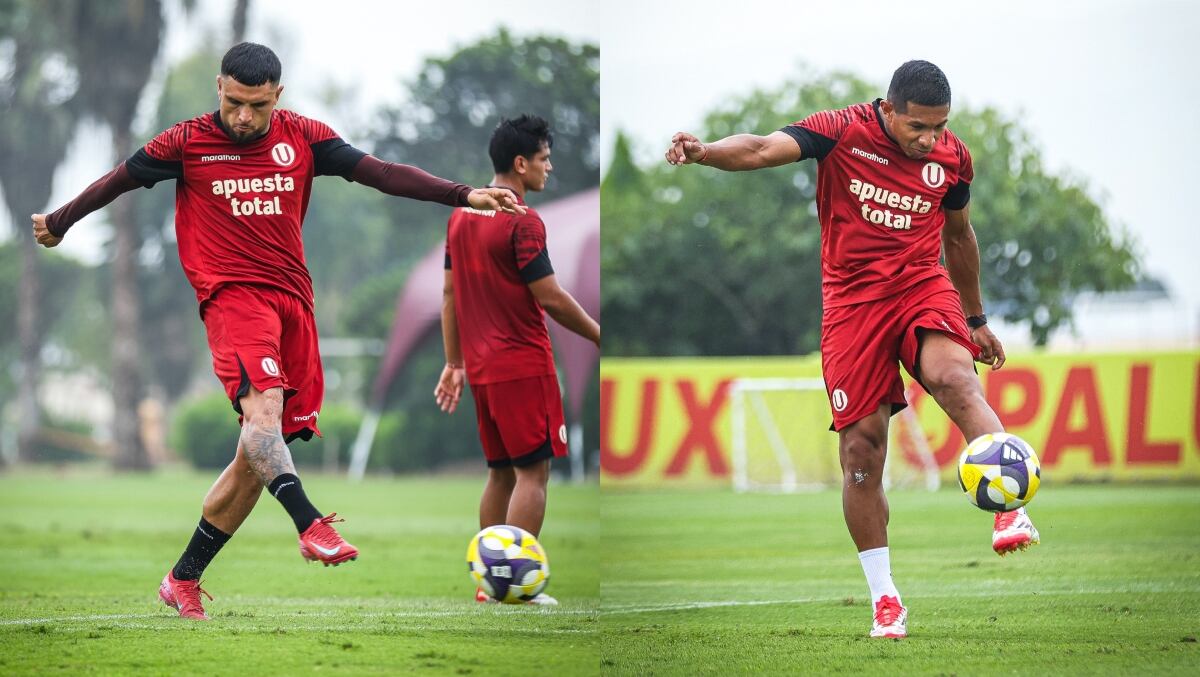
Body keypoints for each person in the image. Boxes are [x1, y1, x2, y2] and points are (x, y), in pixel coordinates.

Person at [31, 42, 524, 621]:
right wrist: (60, 222)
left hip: (294, 304)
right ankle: (311, 523)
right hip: (233, 300)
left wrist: (463, 194)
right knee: (263, 421)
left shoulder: (305, 137)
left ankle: (183, 578)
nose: (244, 117)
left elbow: (381, 173)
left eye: (257, 106)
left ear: (277, 97)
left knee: (257, 454)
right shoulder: (186, 142)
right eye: (235, 102)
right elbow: (118, 180)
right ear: (219, 87)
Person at [664, 60, 1039, 639]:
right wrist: (705, 151)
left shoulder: (953, 158)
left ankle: (1010, 504)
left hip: (921, 285)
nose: (930, 139)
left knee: (954, 377)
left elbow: (959, 236)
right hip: (852, 306)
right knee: (862, 452)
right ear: (888, 110)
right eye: (918, 127)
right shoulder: (841, 130)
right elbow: (763, 148)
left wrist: (977, 318)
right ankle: (885, 598)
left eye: (939, 127)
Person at [434, 114, 600, 606]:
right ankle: (515, 588)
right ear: (520, 163)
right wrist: (597, 333)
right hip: (523, 364)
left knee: (500, 473)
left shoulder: (461, 214)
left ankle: (491, 586)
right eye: (545, 159)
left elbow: (448, 293)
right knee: (533, 474)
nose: (550, 168)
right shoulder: (522, 219)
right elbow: (548, 296)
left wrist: (454, 361)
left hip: (483, 370)